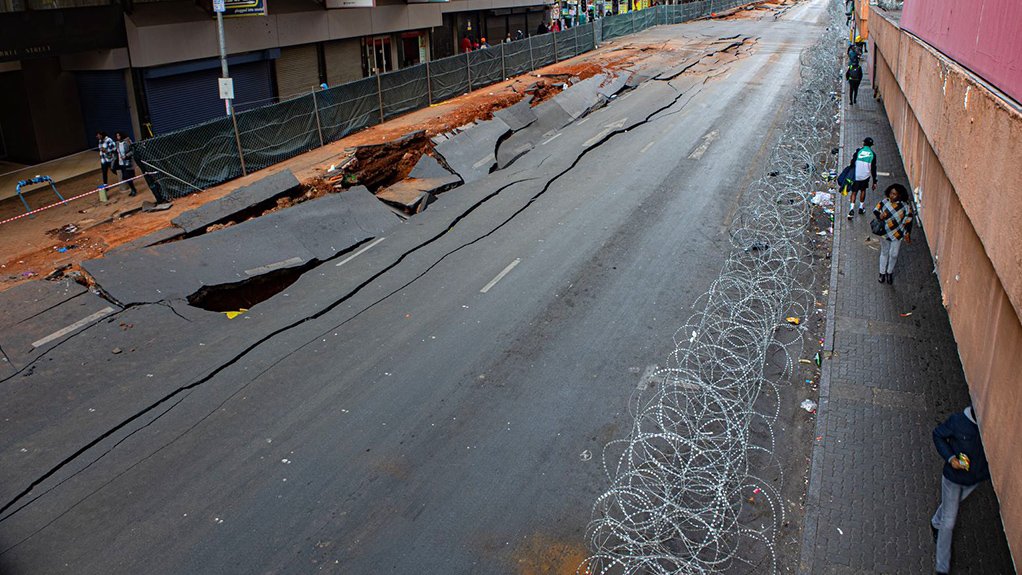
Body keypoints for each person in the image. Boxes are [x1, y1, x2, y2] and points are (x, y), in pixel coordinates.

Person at [931, 406, 990, 575]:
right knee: (948, 523)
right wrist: (951, 459)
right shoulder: (958, 422)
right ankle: (942, 568)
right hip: (954, 479)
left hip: (975, 480)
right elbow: (938, 434)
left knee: (952, 505)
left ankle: (935, 521)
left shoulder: (989, 426)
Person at [872, 183, 912, 283]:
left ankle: (889, 272)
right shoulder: (884, 202)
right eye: (891, 193)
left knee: (894, 254)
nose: (892, 196)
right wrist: (880, 216)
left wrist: (907, 233)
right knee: (884, 252)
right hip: (885, 232)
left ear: (899, 195)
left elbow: (909, 221)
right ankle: (882, 273)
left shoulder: (905, 206)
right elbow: (876, 210)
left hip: (898, 234)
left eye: (894, 194)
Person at [847, 136, 877, 219]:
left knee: (854, 192)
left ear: (864, 143)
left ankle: (851, 209)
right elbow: (873, 169)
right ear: (871, 145)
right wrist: (874, 181)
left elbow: (852, 163)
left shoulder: (858, 151)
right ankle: (861, 207)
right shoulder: (873, 154)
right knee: (863, 190)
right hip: (865, 176)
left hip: (856, 175)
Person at [114, 131, 138, 197]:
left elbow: (133, 150)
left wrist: (126, 156)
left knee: (129, 177)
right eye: (117, 136)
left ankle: (133, 190)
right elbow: (117, 152)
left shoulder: (127, 141)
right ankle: (132, 189)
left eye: (119, 136)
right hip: (121, 162)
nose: (117, 137)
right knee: (125, 177)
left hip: (127, 162)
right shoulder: (117, 143)